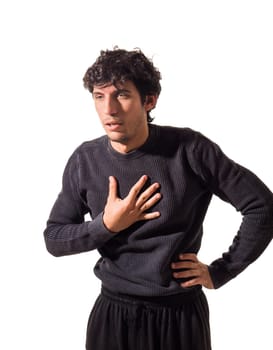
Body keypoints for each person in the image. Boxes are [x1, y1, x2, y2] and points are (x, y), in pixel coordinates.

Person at [44, 48, 273, 350]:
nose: (109, 109)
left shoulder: (190, 150)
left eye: (122, 95)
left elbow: (262, 207)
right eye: (99, 96)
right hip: (113, 314)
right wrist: (106, 225)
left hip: (178, 317)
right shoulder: (85, 159)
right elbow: (55, 238)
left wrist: (220, 271)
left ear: (149, 100)